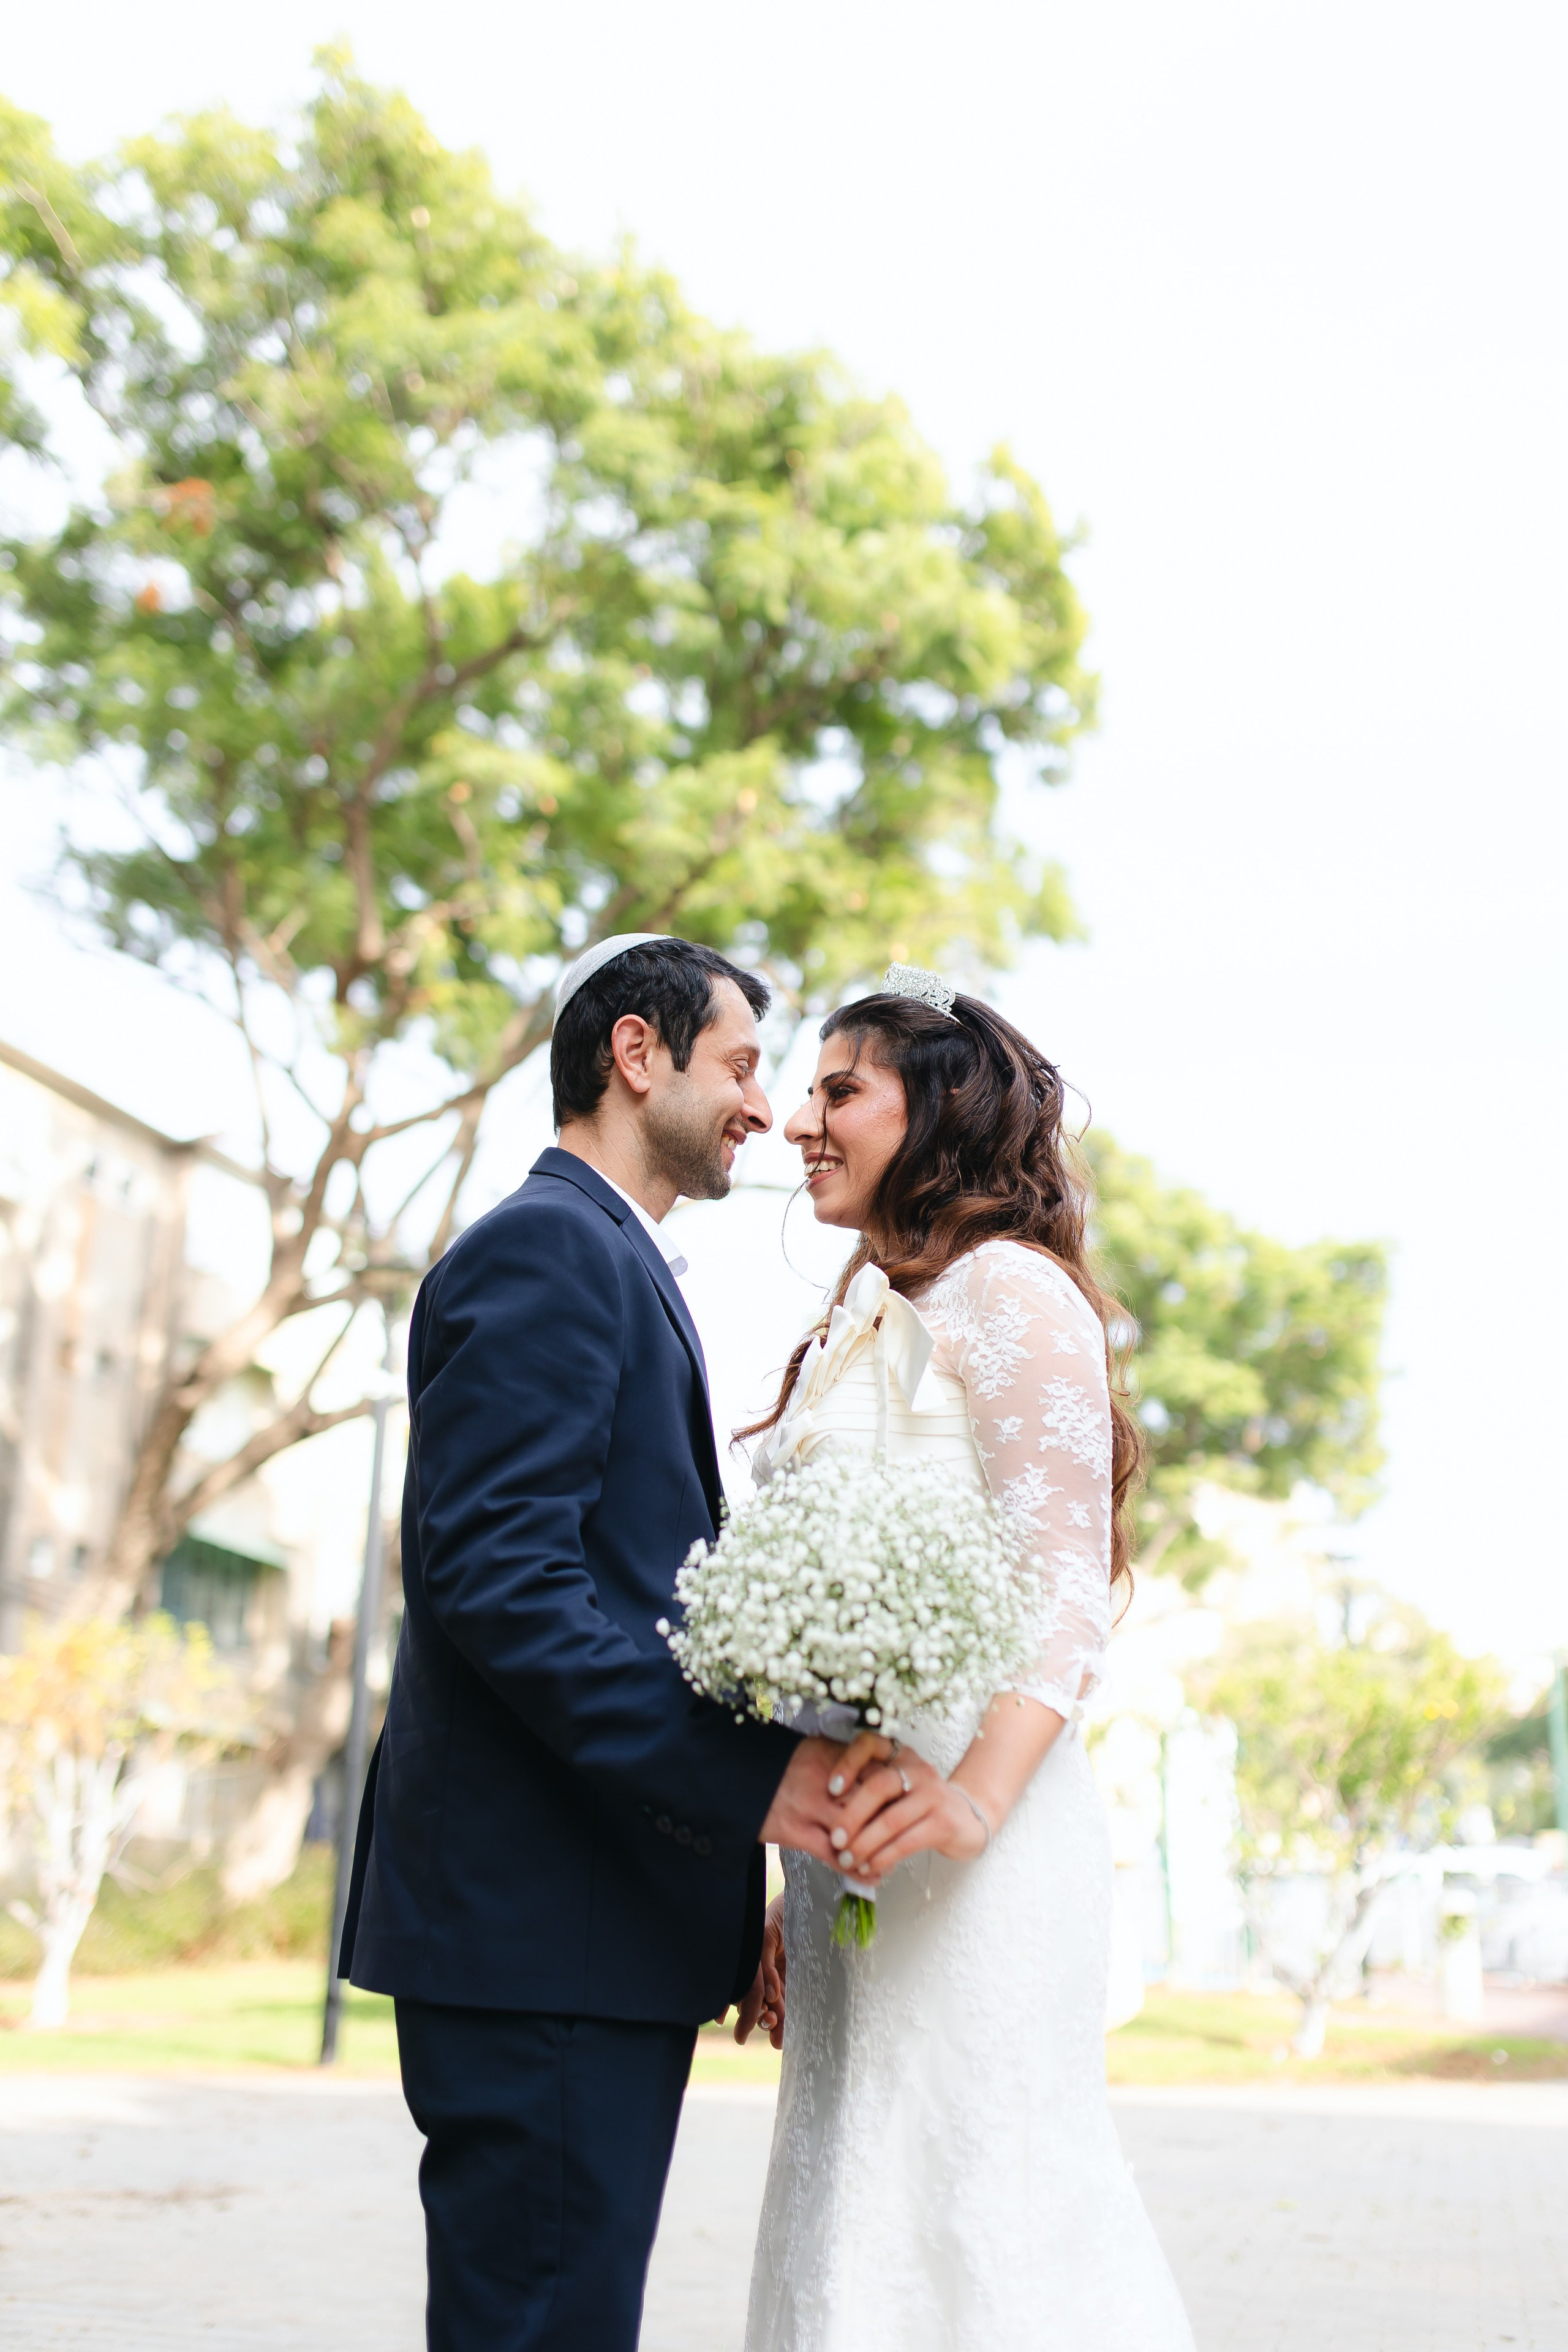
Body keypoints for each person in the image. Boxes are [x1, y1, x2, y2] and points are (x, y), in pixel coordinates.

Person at [338, 933, 891, 2352]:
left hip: (579, 1934)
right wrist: (745, 1787)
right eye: (740, 1066)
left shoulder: (604, 1257)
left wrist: (730, 1877)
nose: (762, 1109)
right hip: (539, 1939)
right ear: (633, 1055)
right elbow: (503, 1583)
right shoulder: (548, 1249)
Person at [741, 965, 1197, 2351]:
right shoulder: (847, 1326)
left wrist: (973, 1800)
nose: (798, 1122)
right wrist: (782, 1884)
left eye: (838, 1091)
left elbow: (1062, 1591)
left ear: (930, 1109)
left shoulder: (1012, 1295)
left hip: (978, 1845)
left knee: (981, 2211)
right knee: (852, 2213)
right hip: (847, 1859)